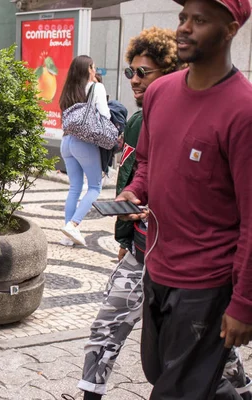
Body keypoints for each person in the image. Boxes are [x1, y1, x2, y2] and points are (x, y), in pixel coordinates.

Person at [117, 0, 252, 398]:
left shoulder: (243, 110)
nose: (184, 28)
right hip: (157, 268)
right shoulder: (159, 93)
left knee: (176, 391)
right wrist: (133, 191)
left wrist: (244, 303)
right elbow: (146, 163)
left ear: (229, 29)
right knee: (160, 372)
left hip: (207, 283)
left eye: (199, 20)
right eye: (182, 18)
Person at [79, 27, 184, 400]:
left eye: (144, 72)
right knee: (106, 327)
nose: (134, 80)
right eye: (130, 72)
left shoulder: (190, 120)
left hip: (183, 263)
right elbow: (138, 175)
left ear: (170, 73)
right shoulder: (140, 121)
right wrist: (127, 219)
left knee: (203, 351)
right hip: (141, 250)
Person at [58, 55, 110, 247]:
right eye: (93, 67)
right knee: (95, 187)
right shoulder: (96, 87)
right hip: (84, 142)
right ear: (88, 69)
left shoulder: (69, 90)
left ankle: (67, 236)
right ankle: (74, 224)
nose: (95, 70)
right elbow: (105, 114)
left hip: (66, 141)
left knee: (74, 188)